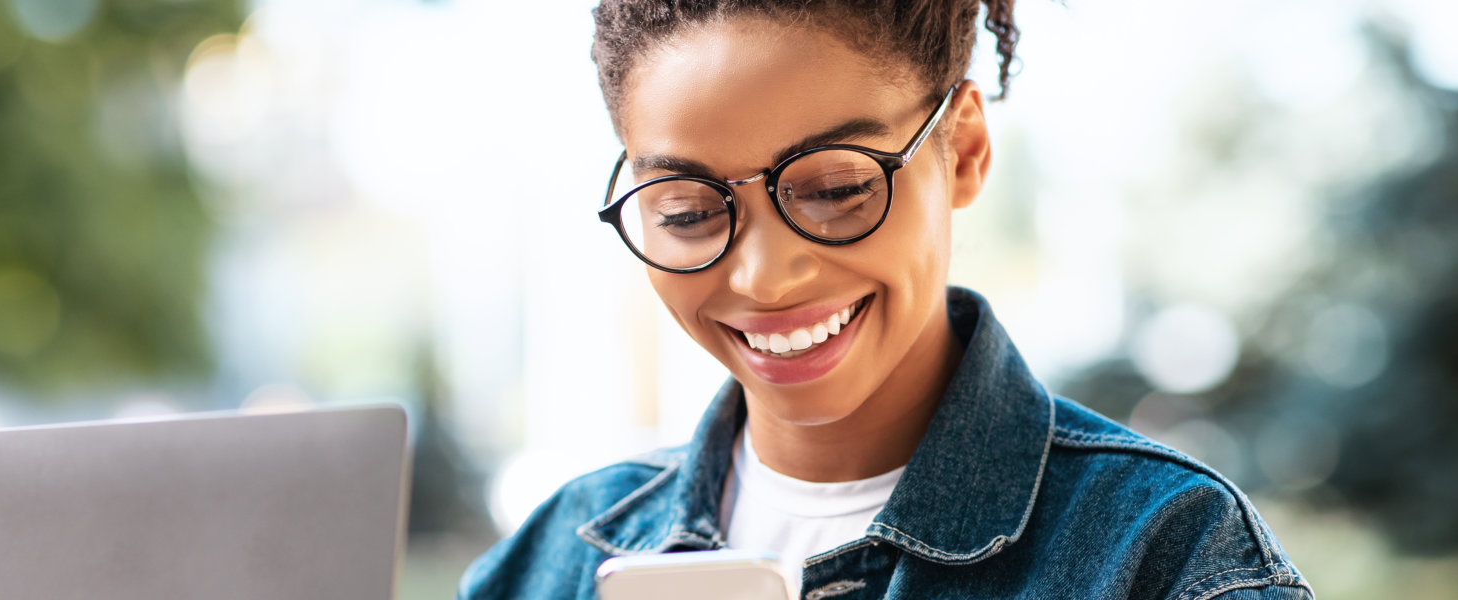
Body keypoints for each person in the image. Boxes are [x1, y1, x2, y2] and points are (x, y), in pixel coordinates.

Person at [460, 1, 1312, 598]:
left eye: (835, 189)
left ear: (966, 151)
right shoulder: (552, 561)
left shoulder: (1166, 552)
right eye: (687, 210)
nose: (762, 277)